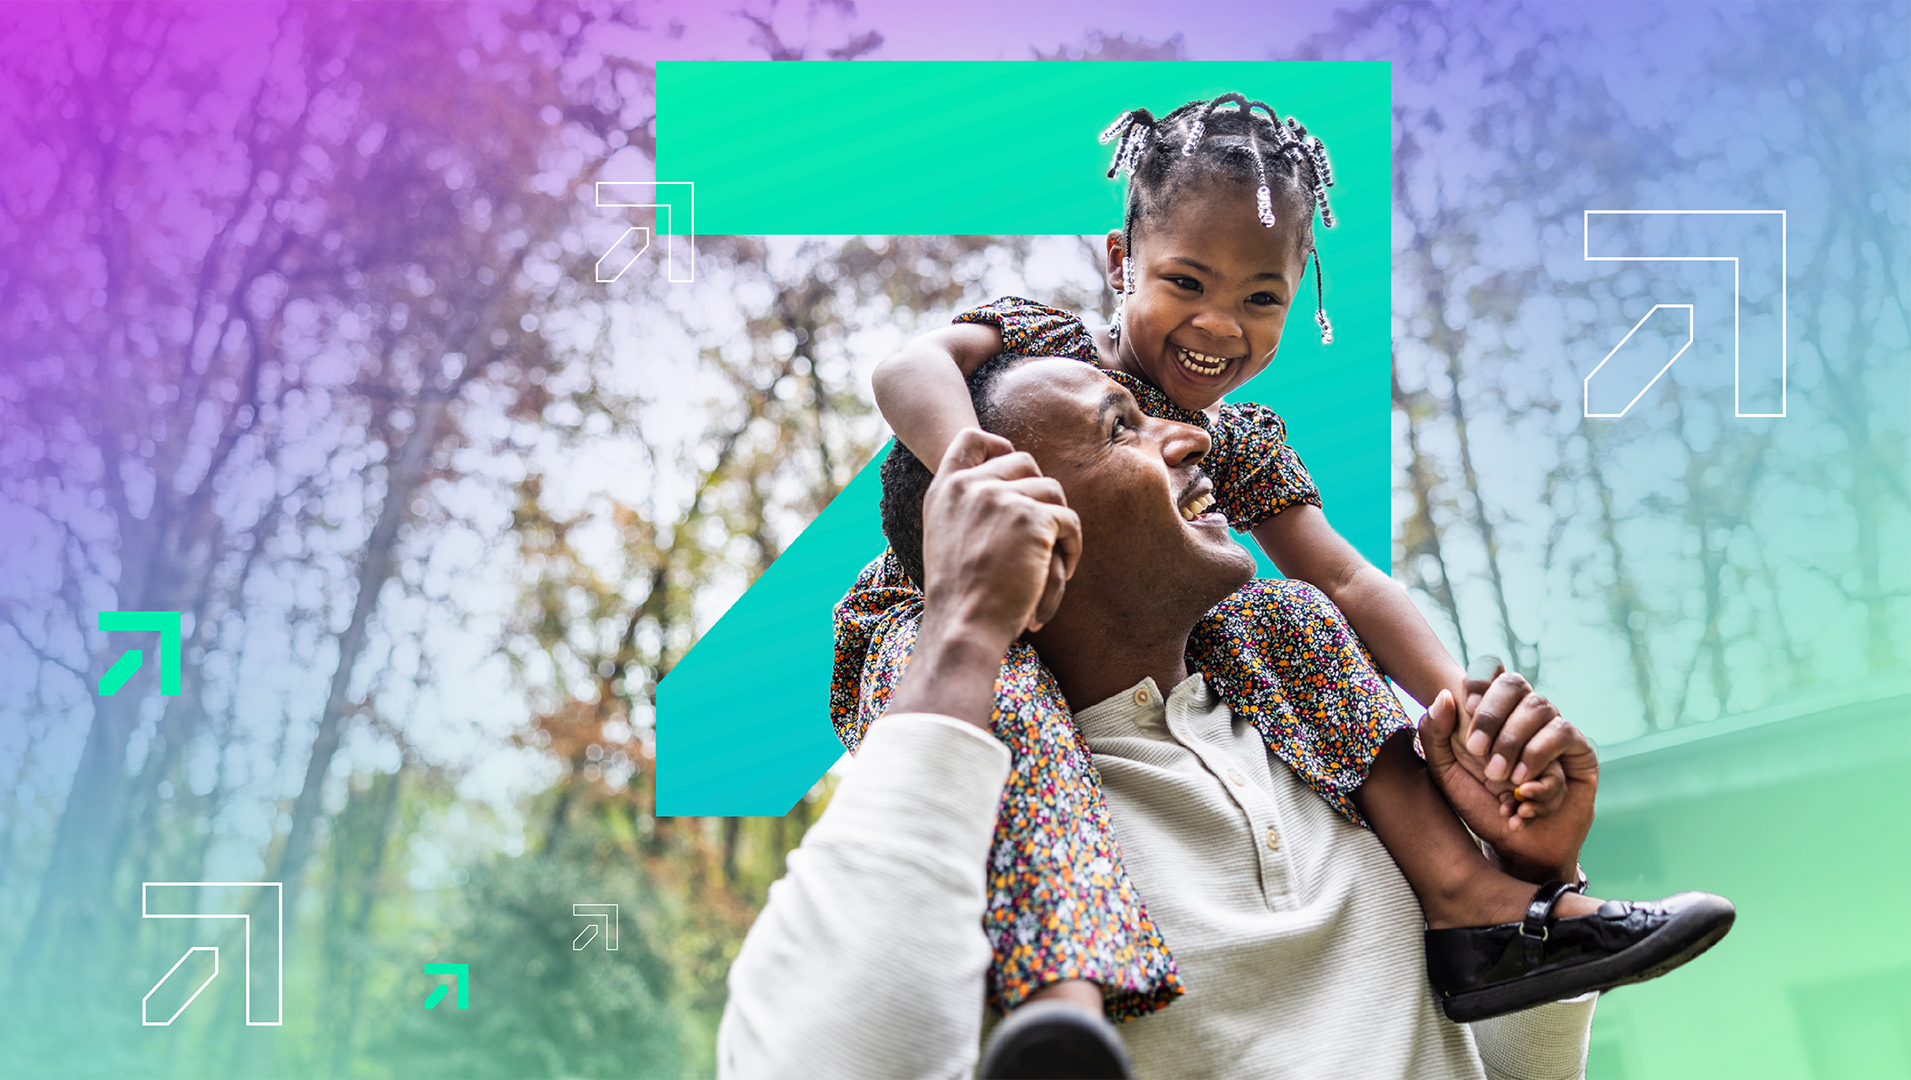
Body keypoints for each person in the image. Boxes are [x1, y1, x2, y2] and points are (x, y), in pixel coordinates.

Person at [833, 93, 1731, 1033]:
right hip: (950, 611)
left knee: (1293, 617)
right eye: (1187, 282)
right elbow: (906, 368)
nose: (1222, 325)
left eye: (1261, 298)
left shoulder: (1239, 443)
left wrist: (1454, 707)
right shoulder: (1043, 352)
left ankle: (1473, 904)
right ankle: (1060, 996)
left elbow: (1347, 581)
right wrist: (973, 459)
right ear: (1119, 261)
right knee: (1009, 704)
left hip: (1161, 634)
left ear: (1299, 294)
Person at [725, 360, 1732, 1079]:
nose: (1193, 432)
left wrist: (1534, 876)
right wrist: (961, 622)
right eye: (1121, 428)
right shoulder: (966, 827)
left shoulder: (1321, 733)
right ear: (1014, 517)